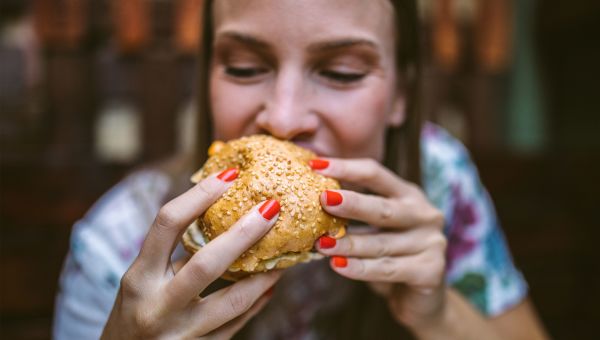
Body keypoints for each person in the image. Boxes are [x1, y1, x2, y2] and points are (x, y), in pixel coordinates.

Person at [53, 0, 549, 338]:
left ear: (401, 95)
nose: (284, 119)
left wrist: (441, 317)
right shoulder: (116, 245)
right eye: (244, 67)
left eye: (341, 73)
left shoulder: (439, 179)